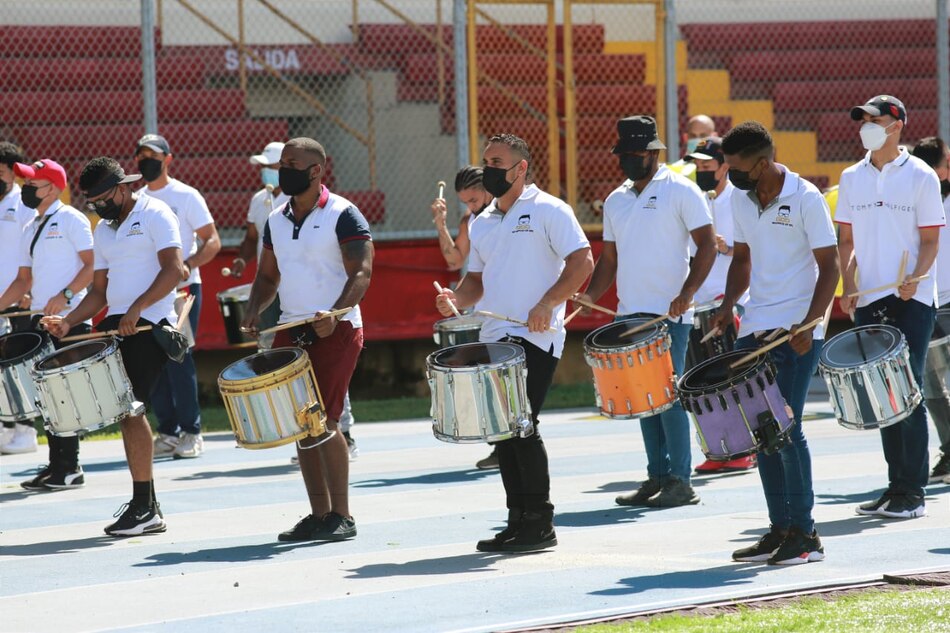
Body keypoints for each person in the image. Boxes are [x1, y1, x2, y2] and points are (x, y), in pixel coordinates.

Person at [437, 133, 593, 552]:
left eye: (497, 161)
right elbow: (475, 280)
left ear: (521, 168)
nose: (488, 168)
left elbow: (583, 262)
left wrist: (548, 303)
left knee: (522, 424)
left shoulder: (549, 210)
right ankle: (518, 520)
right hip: (495, 335)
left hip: (536, 336)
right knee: (503, 430)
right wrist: (456, 299)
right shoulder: (482, 220)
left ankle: (539, 522)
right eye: (485, 160)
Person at [710, 121, 839, 565]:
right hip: (756, 327)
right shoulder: (742, 201)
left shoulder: (807, 199)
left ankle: (806, 535)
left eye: (737, 167)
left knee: (786, 427)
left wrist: (809, 323)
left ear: (762, 163)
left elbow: (831, 267)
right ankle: (779, 528)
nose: (731, 175)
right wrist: (729, 304)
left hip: (798, 332)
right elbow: (742, 259)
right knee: (763, 433)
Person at [576, 116, 715, 508]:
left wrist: (688, 293)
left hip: (669, 315)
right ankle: (657, 476)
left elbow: (705, 246)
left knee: (667, 397)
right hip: (629, 313)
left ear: (655, 153)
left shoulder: (683, 191)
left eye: (638, 153)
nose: (631, 160)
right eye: (625, 154)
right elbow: (610, 257)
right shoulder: (617, 199)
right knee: (643, 398)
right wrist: (590, 295)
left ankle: (680, 481)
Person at [240, 137, 373, 542]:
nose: (283, 170)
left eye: (292, 163)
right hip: (291, 328)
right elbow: (267, 276)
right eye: (282, 163)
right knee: (301, 425)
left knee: (325, 420)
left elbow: (361, 272)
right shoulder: (275, 218)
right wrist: (253, 309)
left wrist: (334, 314)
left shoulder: (344, 213)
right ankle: (319, 514)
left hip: (338, 327)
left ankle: (342, 516)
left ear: (316, 171)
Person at [45, 157, 183, 536]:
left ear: (124, 187)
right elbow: (100, 292)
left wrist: (138, 308)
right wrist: (69, 322)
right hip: (116, 324)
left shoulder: (156, 214)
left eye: (104, 198)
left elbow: (176, 270)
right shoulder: (104, 230)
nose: (99, 207)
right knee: (123, 411)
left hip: (149, 325)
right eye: (93, 202)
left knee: (130, 409)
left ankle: (145, 506)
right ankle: (145, 505)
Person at [838, 96, 944, 520]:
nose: (866, 126)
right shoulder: (851, 176)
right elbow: (846, 241)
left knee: (908, 390)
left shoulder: (920, 174)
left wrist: (916, 278)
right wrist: (849, 286)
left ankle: (912, 492)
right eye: (862, 119)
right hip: (869, 298)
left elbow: (932, 239)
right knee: (881, 395)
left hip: (911, 299)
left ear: (896, 125)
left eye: (874, 120)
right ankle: (894, 485)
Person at [0, 160, 94, 479]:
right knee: (48, 396)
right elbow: (23, 281)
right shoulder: (31, 227)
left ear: (52, 188)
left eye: (32, 183)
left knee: (63, 394)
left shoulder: (72, 219)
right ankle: (59, 464)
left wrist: (67, 295)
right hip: (42, 320)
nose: (26, 188)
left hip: (70, 319)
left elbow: (93, 265)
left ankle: (69, 466)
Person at [136, 134, 221, 460]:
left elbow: (211, 240)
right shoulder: (138, 198)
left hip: (182, 289)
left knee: (178, 356)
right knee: (151, 360)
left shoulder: (186, 196)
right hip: (150, 290)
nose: (146, 160)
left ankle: (192, 431)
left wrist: (187, 264)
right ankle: (168, 432)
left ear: (168, 159)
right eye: (141, 154)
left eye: (153, 154)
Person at [685, 137, 756, 474]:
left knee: (729, 379)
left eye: (707, 165)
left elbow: (751, 250)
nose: (701, 170)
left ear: (724, 165)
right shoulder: (694, 198)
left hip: (727, 301)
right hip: (698, 302)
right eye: (697, 165)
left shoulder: (738, 200)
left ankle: (742, 447)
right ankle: (719, 447)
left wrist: (724, 248)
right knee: (700, 383)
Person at [431, 165, 499, 470]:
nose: (470, 206)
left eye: (473, 199)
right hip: (478, 304)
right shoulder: (470, 219)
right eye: (465, 202)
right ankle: (499, 443)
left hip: (501, 306)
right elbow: (454, 260)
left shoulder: (502, 213)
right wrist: (440, 224)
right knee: (485, 376)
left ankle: (505, 444)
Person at [910, 136, 950, 484]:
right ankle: (949, 448)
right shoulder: (914, 199)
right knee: (931, 384)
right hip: (931, 299)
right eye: (945, 162)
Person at [0, 142, 38, 453]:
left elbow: (37, 249)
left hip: (19, 298)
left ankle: (27, 430)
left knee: (19, 364)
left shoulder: (24, 204)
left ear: (14, 173)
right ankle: (6, 426)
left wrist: (31, 288)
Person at [668, 114, 717, 181]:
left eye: (703, 135)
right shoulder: (674, 170)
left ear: (714, 136)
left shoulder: (723, 168)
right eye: (693, 135)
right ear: (685, 138)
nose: (698, 140)